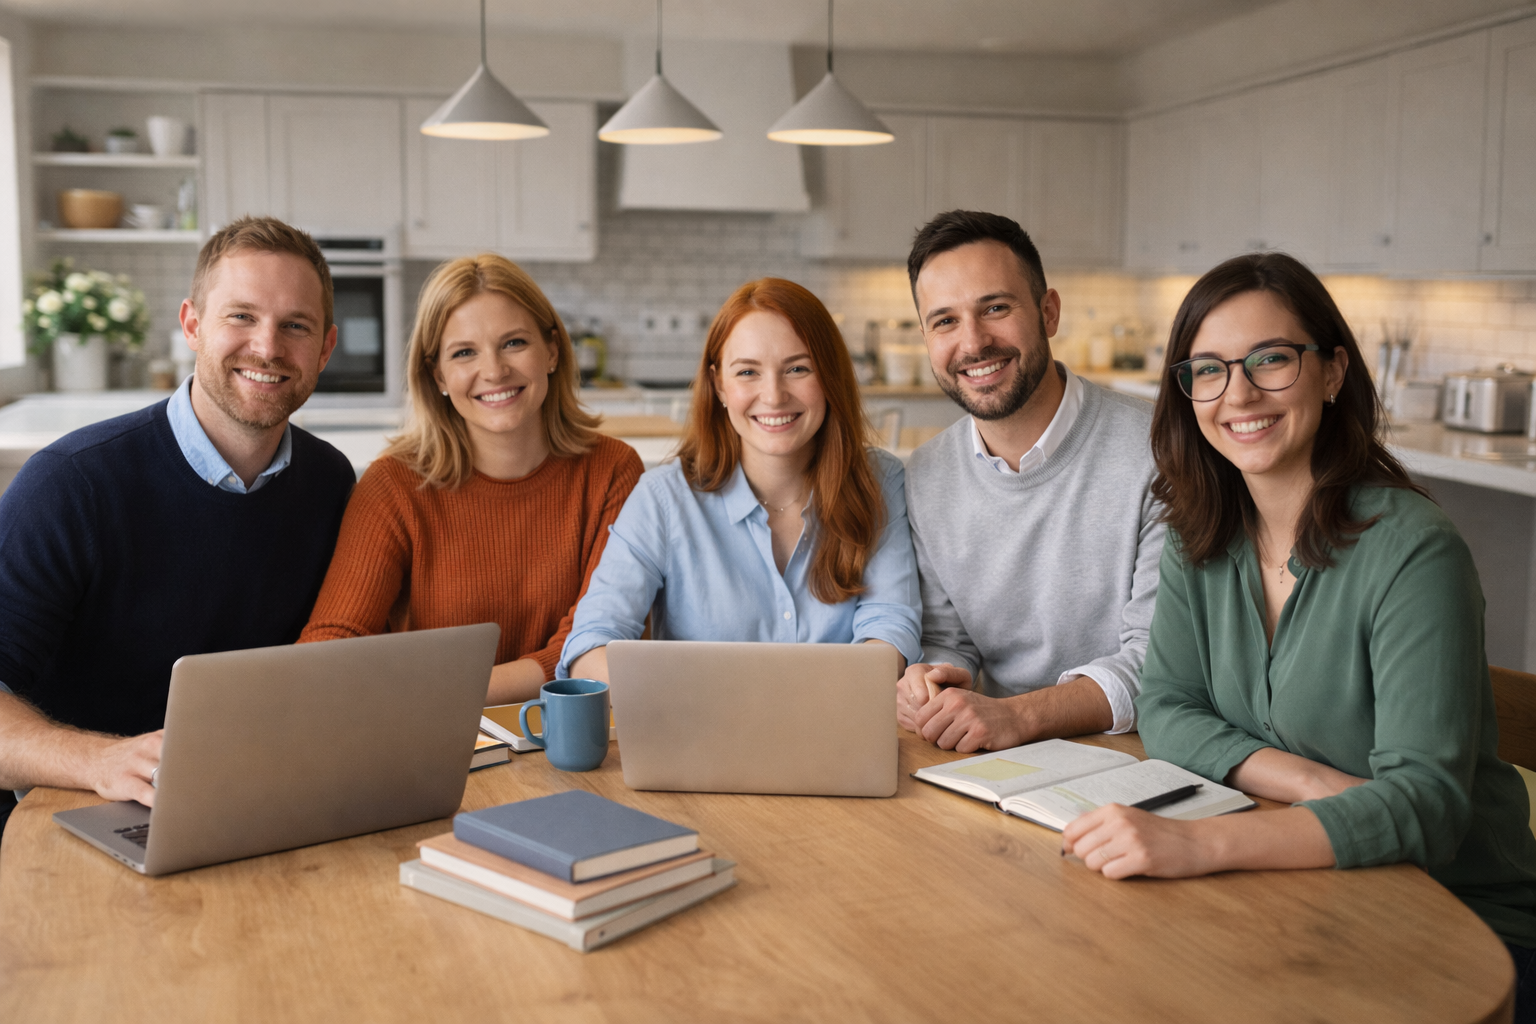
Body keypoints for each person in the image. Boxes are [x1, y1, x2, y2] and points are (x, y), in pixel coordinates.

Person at [1060, 252, 1536, 1015]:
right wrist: (1312, 782)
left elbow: (1426, 808)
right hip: (1302, 887)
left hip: (1462, 926)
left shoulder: (1413, 550)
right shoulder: (1198, 531)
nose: (1239, 393)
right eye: (1209, 370)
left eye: (1271, 359)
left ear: (1333, 371)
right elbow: (1168, 708)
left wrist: (1197, 845)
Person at [0, 216, 356, 818]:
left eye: (295, 325)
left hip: (252, 799)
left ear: (324, 348)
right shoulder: (71, 484)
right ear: (192, 325)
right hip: (78, 812)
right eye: (241, 316)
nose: (268, 347)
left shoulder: (331, 481)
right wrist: (98, 761)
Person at [299, 255, 642, 704]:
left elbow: (594, 646)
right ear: (438, 375)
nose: (494, 371)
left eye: (514, 343)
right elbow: (331, 647)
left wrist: (436, 693)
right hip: (430, 734)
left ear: (552, 351)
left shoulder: (612, 471)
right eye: (464, 353)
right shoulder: (393, 486)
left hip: (561, 733)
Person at [557, 277, 921, 681]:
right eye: (748, 371)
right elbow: (590, 645)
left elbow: (891, 628)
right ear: (719, 385)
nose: (774, 395)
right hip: (696, 719)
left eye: (798, 368)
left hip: (842, 718)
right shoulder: (663, 499)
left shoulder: (879, 480)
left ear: (830, 375)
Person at [896, 210, 1163, 752]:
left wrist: (1019, 716)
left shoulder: (1161, 451)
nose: (973, 343)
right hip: (996, 757)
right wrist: (932, 680)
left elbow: (1159, 660)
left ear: (1049, 312)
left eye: (995, 308)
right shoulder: (924, 476)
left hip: (1139, 751)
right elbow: (949, 639)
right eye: (944, 321)